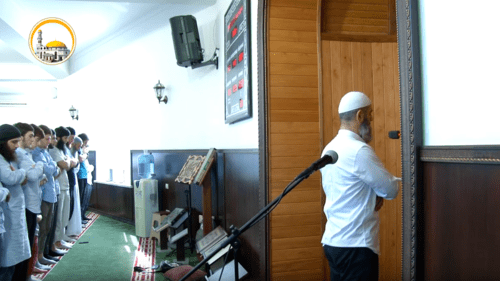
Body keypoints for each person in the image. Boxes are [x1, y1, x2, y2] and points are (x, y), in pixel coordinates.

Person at [320, 91, 401, 281]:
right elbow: (391, 189)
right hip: (356, 246)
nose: (371, 122)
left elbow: (347, 192)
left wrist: (372, 194)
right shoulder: (359, 150)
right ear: (359, 116)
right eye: (370, 115)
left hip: (333, 242)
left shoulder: (330, 148)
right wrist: (376, 194)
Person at [13, 123, 45, 280]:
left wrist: (36, 168)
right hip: (26, 205)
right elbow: (32, 176)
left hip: (31, 204)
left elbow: (33, 175)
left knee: (29, 243)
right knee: (25, 245)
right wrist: (39, 165)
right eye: (30, 136)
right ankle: (24, 275)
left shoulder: (26, 153)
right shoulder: (20, 153)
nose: (33, 140)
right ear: (21, 138)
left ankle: (26, 274)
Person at [0, 124, 30, 281]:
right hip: (7, 214)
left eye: (18, 142)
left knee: (14, 258)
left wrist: (19, 174)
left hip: (14, 210)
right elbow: (10, 178)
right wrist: (22, 172)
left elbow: (20, 179)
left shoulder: (6, 158)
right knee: (7, 261)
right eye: (14, 142)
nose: (17, 146)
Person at [32, 125, 61, 268]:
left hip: (51, 192)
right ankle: (37, 259)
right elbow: (49, 169)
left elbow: (54, 170)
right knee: (42, 228)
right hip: (43, 195)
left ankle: (42, 255)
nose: (49, 141)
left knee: (47, 227)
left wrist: (53, 166)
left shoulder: (45, 152)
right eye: (47, 138)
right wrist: (53, 166)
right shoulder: (35, 154)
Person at [49, 127, 77, 251]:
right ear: (59, 138)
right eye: (65, 138)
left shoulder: (61, 150)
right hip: (58, 186)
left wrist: (68, 162)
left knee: (65, 215)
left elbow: (70, 163)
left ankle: (62, 238)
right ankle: (57, 241)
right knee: (59, 217)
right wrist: (67, 162)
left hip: (65, 185)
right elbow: (66, 164)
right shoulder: (54, 151)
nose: (66, 141)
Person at [66, 137, 82, 237]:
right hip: (67, 182)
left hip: (73, 180)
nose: (79, 147)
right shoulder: (67, 151)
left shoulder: (75, 152)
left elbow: (74, 164)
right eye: (78, 145)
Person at [77, 133, 91, 221]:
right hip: (80, 176)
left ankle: (82, 214)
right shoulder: (79, 150)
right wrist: (85, 154)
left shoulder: (84, 150)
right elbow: (81, 159)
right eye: (85, 142)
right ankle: (79, 217)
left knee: (84, 197)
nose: (86, 144)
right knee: (80, 197)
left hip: (85, 175)